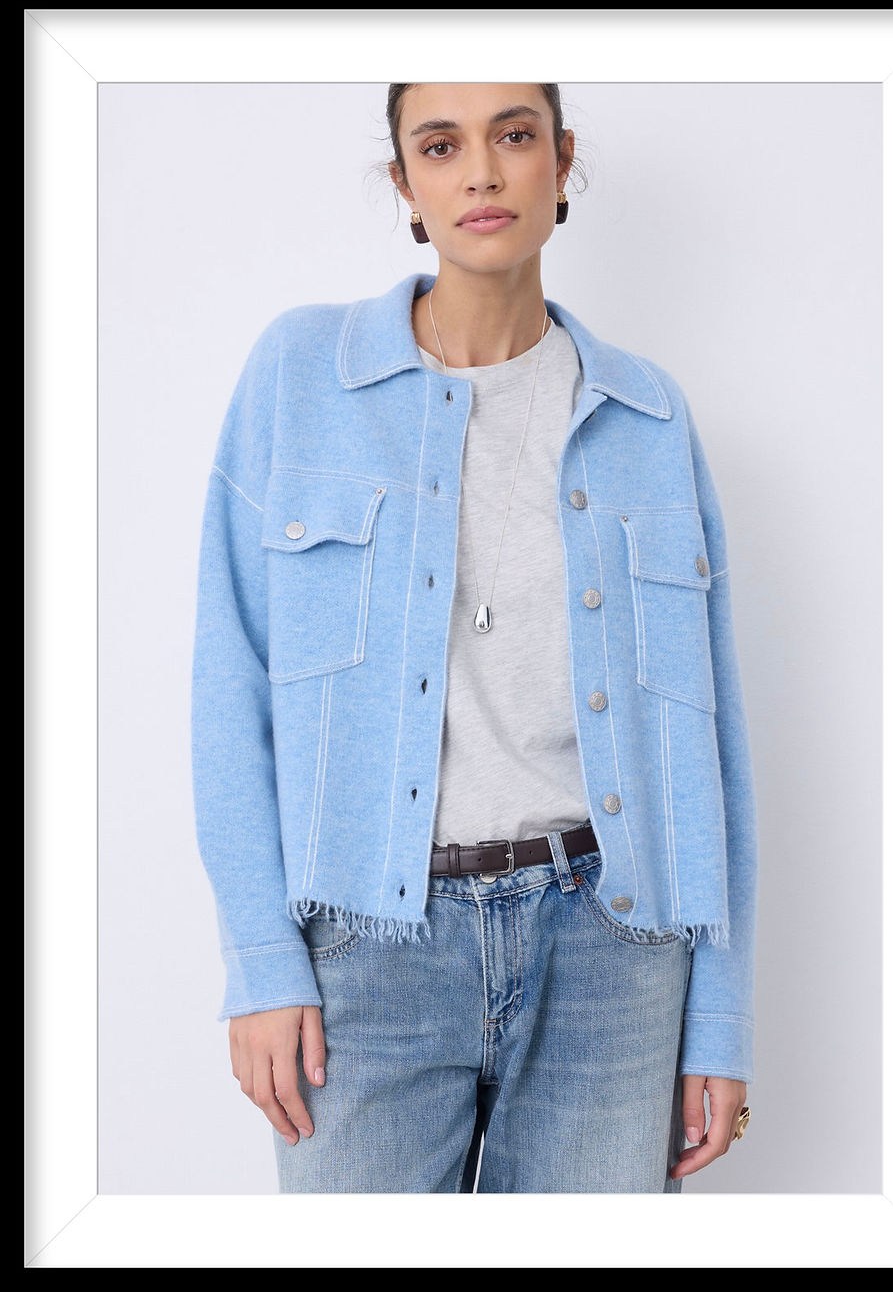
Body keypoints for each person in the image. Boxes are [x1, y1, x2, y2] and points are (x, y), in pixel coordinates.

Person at [191, 82, 757, 1194]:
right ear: (404, 182)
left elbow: (713, 737)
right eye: (441, 145)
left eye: (514, 135)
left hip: (613, 954)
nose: (483, 173)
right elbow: (230, 679)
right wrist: (259, 957)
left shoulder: (647, 414)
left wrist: (721, 1015)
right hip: (366, 954)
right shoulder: (301, 375)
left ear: (561, 160)